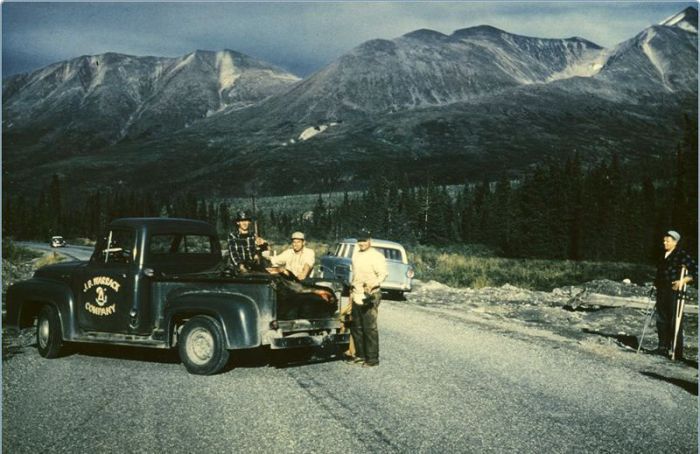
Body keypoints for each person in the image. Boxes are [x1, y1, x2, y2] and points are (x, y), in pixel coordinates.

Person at [653, 230, 697, 360]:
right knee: (661, 319)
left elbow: (695, 271)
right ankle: (662, 347)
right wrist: (655, 284)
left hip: (674, 290)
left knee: (674, 319)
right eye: (664, 240)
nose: (664, 243)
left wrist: (682, 281)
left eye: (667, 241)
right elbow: (659, 272)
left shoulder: (681, 255)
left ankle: (676, 351)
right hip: (662, 289)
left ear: (675, 242)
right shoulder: (662, 255)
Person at [348, 229, 387, 367]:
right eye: (359, 241)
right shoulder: (356, 254)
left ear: (370, 241)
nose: (361, 243)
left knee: (369, 328)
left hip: (370, 295)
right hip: (357, 293)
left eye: (364, 240)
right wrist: (352, 291)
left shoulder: (376, 256)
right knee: (356, 327)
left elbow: (383, 274)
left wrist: (373, 284)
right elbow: (354, 274)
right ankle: (360, 355)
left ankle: (372, 359)